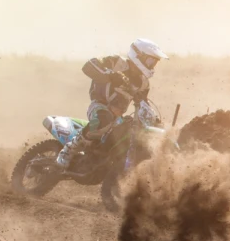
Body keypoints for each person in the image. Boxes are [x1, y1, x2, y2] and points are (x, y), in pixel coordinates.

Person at [57, 38, 168, 169]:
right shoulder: (116, 62)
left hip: (117, 117)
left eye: (154, 63)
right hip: (99, 106)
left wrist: (154, 121)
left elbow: (144, 103)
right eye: (150, 61)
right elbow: (88, 66)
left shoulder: (143, 83)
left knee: (134, 131)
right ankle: (70, 148)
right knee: (104, 118)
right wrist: (110, 75)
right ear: (138, 55)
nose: (152, 65)